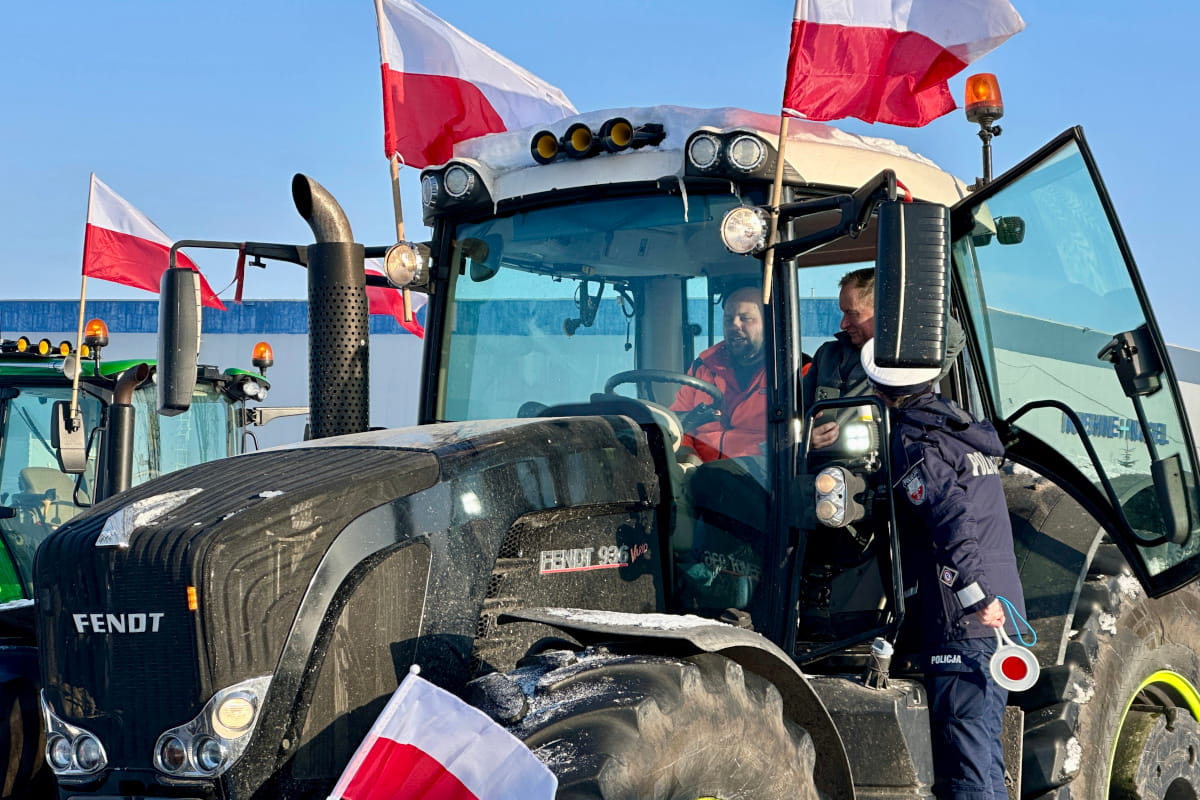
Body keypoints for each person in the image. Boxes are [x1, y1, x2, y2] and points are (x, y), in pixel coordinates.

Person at [860, 336, 1026, 800]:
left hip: (966, 615)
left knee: (964, 761)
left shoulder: (916, 440)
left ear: (878, 390)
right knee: (984, 757)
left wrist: (976, 594)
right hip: (999, 609)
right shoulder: (959, 427)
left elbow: (950, 517)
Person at [803, 267, 964, 449]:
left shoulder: (905, 360)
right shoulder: (827, 355)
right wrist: (805, 437)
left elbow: (953, 339)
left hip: (883, 468)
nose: (843, 324)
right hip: (824, 469)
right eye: (843, 313)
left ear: (884, 311)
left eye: (852, 313)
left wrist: (906, 299)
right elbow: (796, 412)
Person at [671, 284, 767, 463]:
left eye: (745, 318)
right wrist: (687, 458)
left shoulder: (795, 372)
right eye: (728, 319)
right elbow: (677, 425)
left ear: (769, 322)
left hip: (759, 477)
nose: (734, 325)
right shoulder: (703, 367)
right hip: (698, 473)